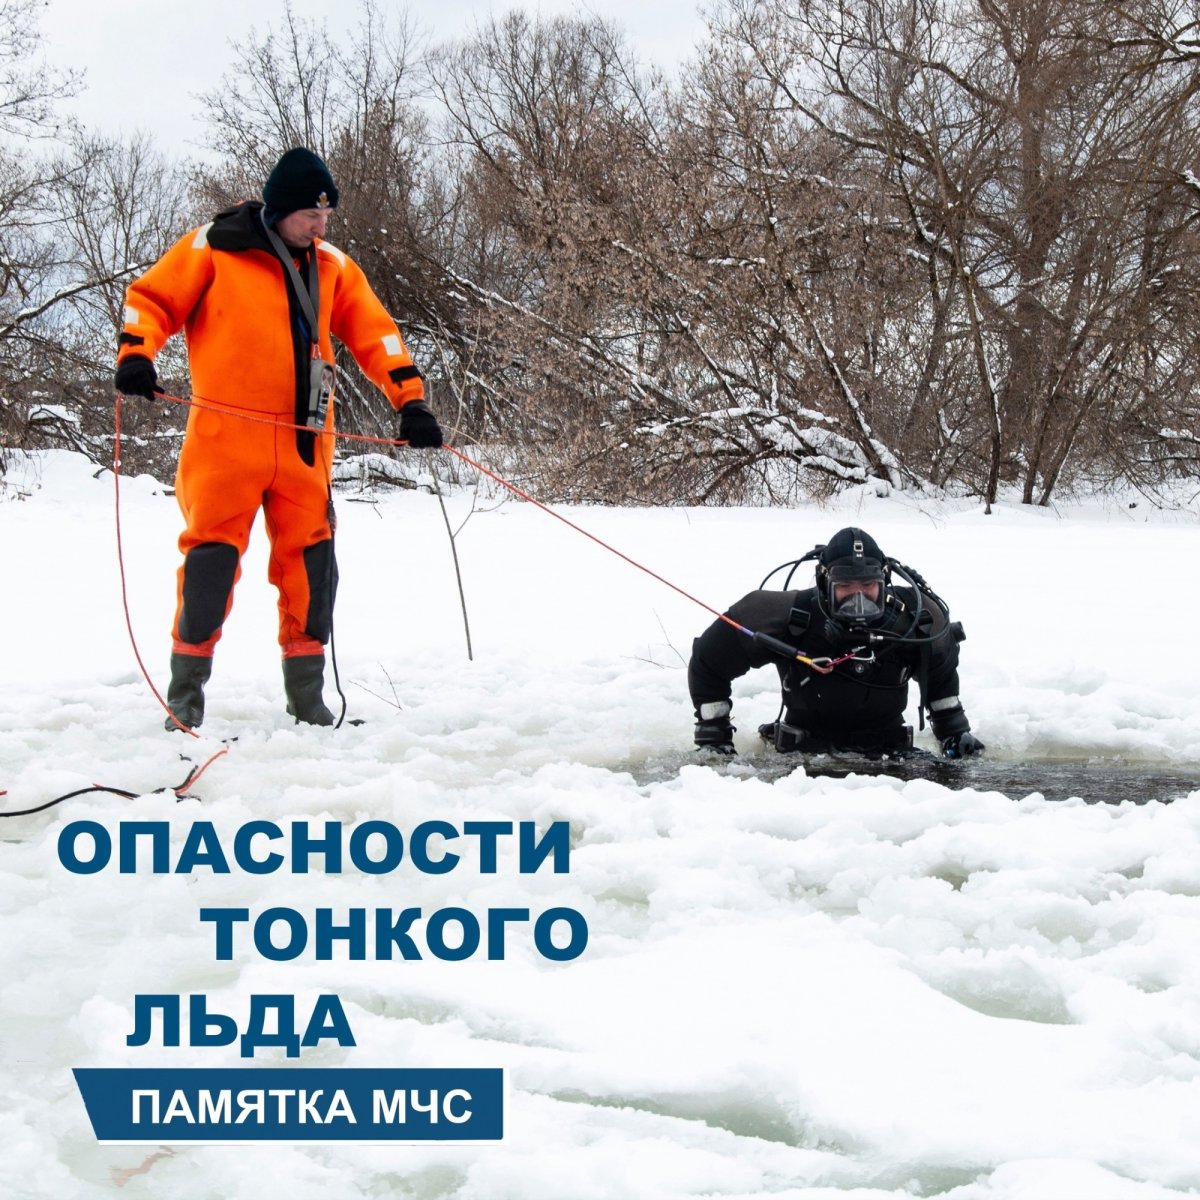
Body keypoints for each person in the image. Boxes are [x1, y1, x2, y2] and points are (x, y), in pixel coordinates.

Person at [114, 147, 444, 731]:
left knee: (312, 568)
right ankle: (185, 697)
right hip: (225, 443)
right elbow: (152, 299)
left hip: (304, 445)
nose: (321, 227)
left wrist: (411, 401)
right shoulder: (214, 247)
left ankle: (308, 701)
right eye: (311, 215)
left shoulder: (333, 266)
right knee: (211, 564)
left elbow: (378, 335)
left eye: (327, 216)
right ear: (281, 209)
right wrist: (137, 355)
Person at [688, 527, 984, 758]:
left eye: (868, 585)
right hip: (800, 763)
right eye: (845, 586)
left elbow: (941, 679)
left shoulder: (917, 620)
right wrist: (714, 736)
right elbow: (708, 661)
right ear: (824, 583)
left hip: (891, 758)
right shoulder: (786, 616)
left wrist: (954, 733)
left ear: (883, 582)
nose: (858, 598)